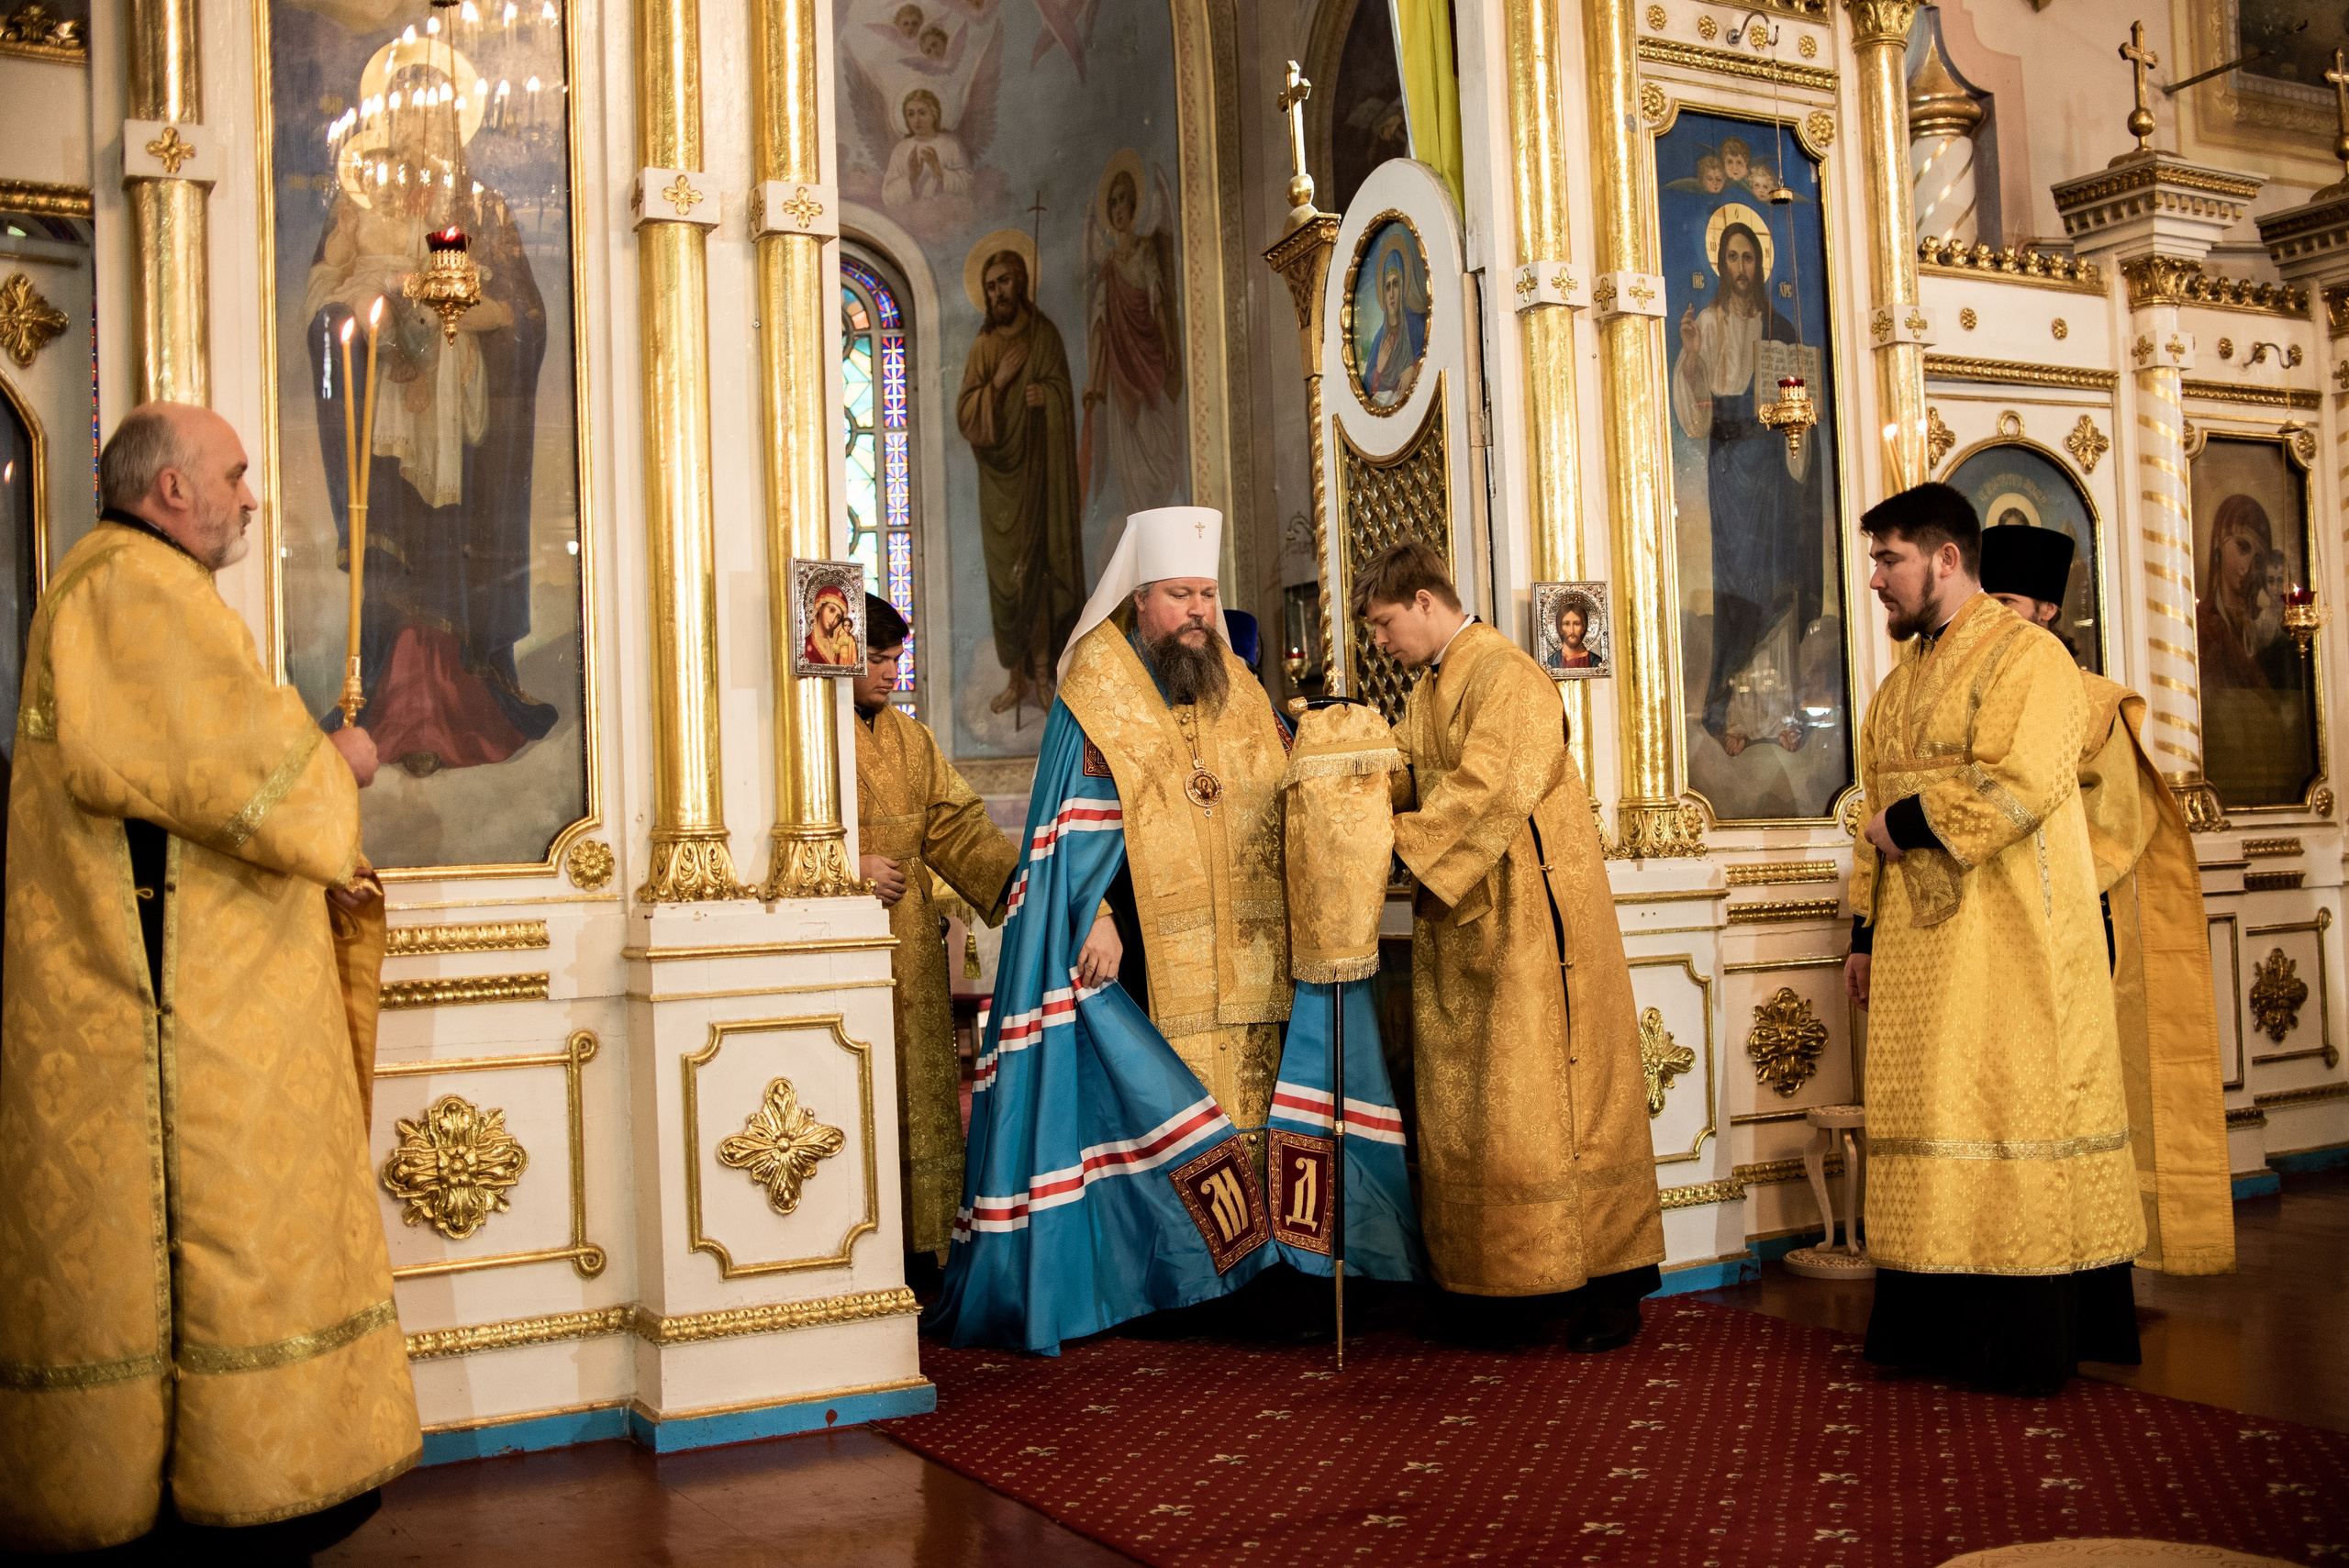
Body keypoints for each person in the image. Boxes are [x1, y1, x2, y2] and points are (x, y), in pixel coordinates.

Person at [0, 404, 419, 1552]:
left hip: (201, 992)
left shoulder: (134, 586)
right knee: (219, 1250)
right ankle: (224, 1484)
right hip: (175, 1021)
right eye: (233, 475)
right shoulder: (131, 588)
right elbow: (236, 778)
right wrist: (335, 766)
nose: (249, 495)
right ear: (170, 488)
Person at [925, 507, 1304, 1351]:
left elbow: (1283, 782)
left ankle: (1260, 1267)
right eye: (1180, 595)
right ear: (1141, 601)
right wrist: (1096, 916)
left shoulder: (1234, 681)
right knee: (1169, 1112)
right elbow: (1067, 833)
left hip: (1248, 952)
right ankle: (1183, 1276)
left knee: (1254, 1108)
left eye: (1206, 592)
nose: (1199, 610)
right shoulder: (1096, 685)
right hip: (1139, 952)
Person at [1845, 484, 2144, 1396]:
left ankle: (2013, 1340)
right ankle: (1931, 1326)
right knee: (1931, 1115)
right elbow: (1868, 809)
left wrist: (1911, 821)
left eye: (1888, 559)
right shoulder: (1899, 685)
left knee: (2004, 1109)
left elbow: (2025, 778)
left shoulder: (2029, 657)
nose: (1874, 580)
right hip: (1911, 939)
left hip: (2007, 929)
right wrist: (1861, 926)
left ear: (1943, 557)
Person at [1356, 539, 1664, 1351]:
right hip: (1469, 927)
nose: (1382, 643)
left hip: (1538, 930)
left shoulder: (1509, 677)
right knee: (1485, 1117)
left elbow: (1487, 788)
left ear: (1426, 601)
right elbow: (1400, 767)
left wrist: (1394, 839)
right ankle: (1500, 1284)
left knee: (1559, 1111)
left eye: (1386, 624)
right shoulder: (1429, 690)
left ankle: (1611, 1287)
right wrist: (1341, 774)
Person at [1981, 525, 2235, 1279]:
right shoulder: (1968, 692)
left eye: (2007, 602)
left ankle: (2084, 1264)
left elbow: (2119, 824)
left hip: (2070, 922)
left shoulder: (2092, 703)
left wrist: (2027, 874)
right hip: (1982, 923)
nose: (1993, 617)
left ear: (2048, 610)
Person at [304, 121, 554, 778]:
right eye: (411, 131)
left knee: (447, 535)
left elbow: (521, 312)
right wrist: (363, 327)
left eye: (436, 131)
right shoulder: (357, 204)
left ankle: (456, 701)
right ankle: (388, 700)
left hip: (454, 405)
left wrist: (479, 317)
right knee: (391, 540)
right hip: (381, 402)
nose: (422, 151)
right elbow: (322, 297)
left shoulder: (481, 208)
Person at [851, 595, 1020, 1291]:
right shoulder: (807, 738)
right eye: (876, 658)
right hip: (846, 949)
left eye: (896, 659)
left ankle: (923, 1255)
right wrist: (847, 864)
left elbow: (959, 830)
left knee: (922, 1097)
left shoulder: (911, 739)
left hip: (911, 946)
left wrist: (1023, 890)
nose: (891, 673)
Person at [1671, 219, 1821, 757]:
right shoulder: (1706, 325)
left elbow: (1800, 405)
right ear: (1720, 264)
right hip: (1729, 469)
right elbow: (1695, 415)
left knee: (1774, 580)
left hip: (1771, 469)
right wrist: (1690, 354)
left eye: (1748, 259)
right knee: (1737, 585)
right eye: (1731, 258)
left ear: (1760, 264)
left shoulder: (1779, 327)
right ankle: (1729, 709)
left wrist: (1795, 427)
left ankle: (1779, 710)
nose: (1740, 269)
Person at [958, 246, 1082, 717]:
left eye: (1004, 282)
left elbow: (1064, 399)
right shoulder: (984, 348)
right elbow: (968, 415)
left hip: (1040, 481)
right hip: (999, 487)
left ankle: (1045, 676)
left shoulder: (1043, 336)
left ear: (1021, 282)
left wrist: (1045, 396)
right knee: (1007, 583)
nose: (997, 292)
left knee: (1040, 575)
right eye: (990, 286)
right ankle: (1016, 680)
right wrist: (1000, 383)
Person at [1082, 161, 1185, 515]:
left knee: (1160, 441)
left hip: (1148, 353)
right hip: (1120, 368)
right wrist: (1094, 381)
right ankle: (1139, 517)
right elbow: (1099, 323)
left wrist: (1169, 341)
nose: (1118, 209)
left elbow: (1158, 298)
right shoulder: (1108, 265)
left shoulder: (1145, 250)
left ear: (1135, 206)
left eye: (1123, 200)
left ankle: (1162, 506)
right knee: (1128, 446)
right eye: (1112, 203)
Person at [881, 89, 973, 208]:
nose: (917, 120)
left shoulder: (950, 146)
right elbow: (887, 196)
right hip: (911, 215)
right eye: (911, 114)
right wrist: (912, 178)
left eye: (922, 113)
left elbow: (969, 187)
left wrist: (940, 172)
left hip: (945, 213)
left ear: (934, 114)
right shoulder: (901, 150)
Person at [803, 583, 858, 667]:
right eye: (831, 610)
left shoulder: (839, 646)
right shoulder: (805, 644)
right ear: (820, 607)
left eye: (838, 617)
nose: (833, 620)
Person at [1546, 595, 1598, 671]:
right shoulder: (1551, 662)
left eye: (1576, 624)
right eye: (1566, 624)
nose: (1572, 631)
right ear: (1560, 628)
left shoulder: (1595, 662)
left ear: (1583, 627)